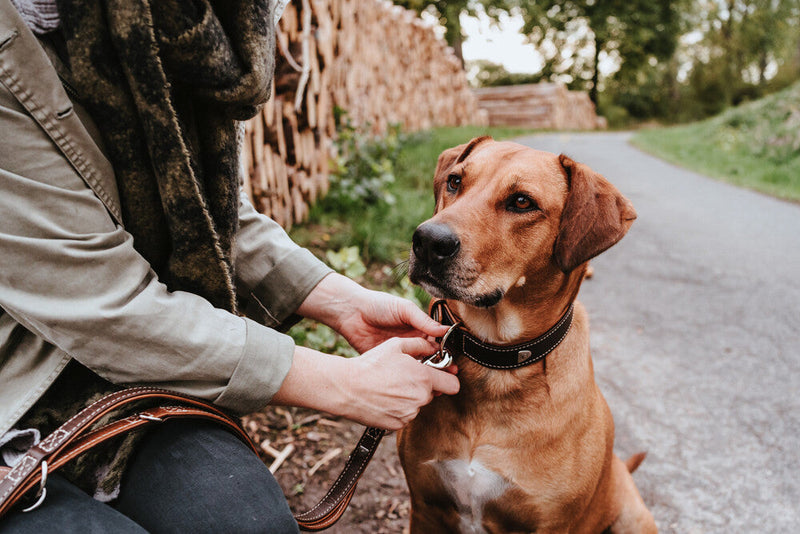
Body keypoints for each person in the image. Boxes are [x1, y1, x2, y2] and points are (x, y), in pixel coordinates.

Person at [0, 0, 460, 532]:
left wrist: (338, 299)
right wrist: (341, 384)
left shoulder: (154, 31)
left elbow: (196, 203)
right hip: (18, 390)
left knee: (249, 523)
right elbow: (105, 307)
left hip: (115, 386)